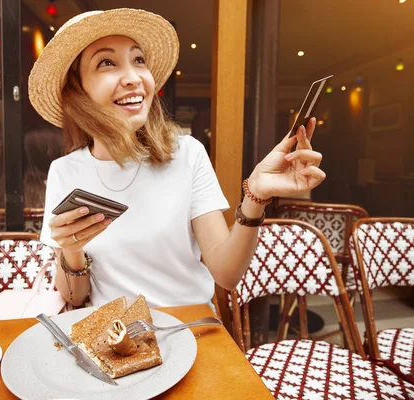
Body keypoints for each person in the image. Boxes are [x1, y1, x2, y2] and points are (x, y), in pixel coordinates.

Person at [31, 9, 325, 309]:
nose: (133, 78)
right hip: (112, 337)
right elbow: (73, 297)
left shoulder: (187, 154)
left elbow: (226, 274)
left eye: (139, 60)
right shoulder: (65, 171)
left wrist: (256, 197)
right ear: (78, 90)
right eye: (107, 63)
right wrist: (71, 250)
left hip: (191, 328)